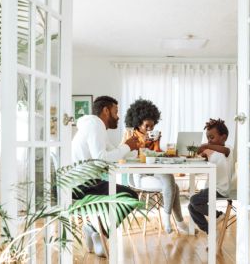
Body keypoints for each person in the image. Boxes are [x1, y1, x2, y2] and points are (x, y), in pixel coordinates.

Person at [72, 95, 140, 257]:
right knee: (130, 196)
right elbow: (101, 159)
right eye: (116, 112)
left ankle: (95, 230)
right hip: (81, 186)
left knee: (127, 194)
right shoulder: (95, 125)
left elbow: (111, 152)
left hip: (84, 182)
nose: (117, 117)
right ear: (106, 110)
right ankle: (96, 231)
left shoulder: (95, 126)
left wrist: (129, 147)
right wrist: (126, 147)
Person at [122, 99, 189, 234]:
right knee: (173, 186)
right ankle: (175, 222)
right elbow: (124, 158)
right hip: (139, 176)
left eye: (152, 126)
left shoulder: (152, 135)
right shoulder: (130, 135)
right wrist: (140, 144)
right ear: (138, 123)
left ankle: (171, 221)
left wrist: (157, 143)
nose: (150, 129)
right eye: (147, 126)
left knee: (170, 180)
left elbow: (156, 156)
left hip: (154, 171)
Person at [188, 118, 234, 235]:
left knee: (194, 200)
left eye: (212, 137)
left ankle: (218, 214)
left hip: (221, 189)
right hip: (211, 187)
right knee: (191, 206)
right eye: (208, 138)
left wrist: (205, 146)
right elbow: (210, 160)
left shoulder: (228, 150)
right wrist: (203, 155)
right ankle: (210, 231)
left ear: (223, 137)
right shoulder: (214, 153)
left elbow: (223, 150)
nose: (209, 141)